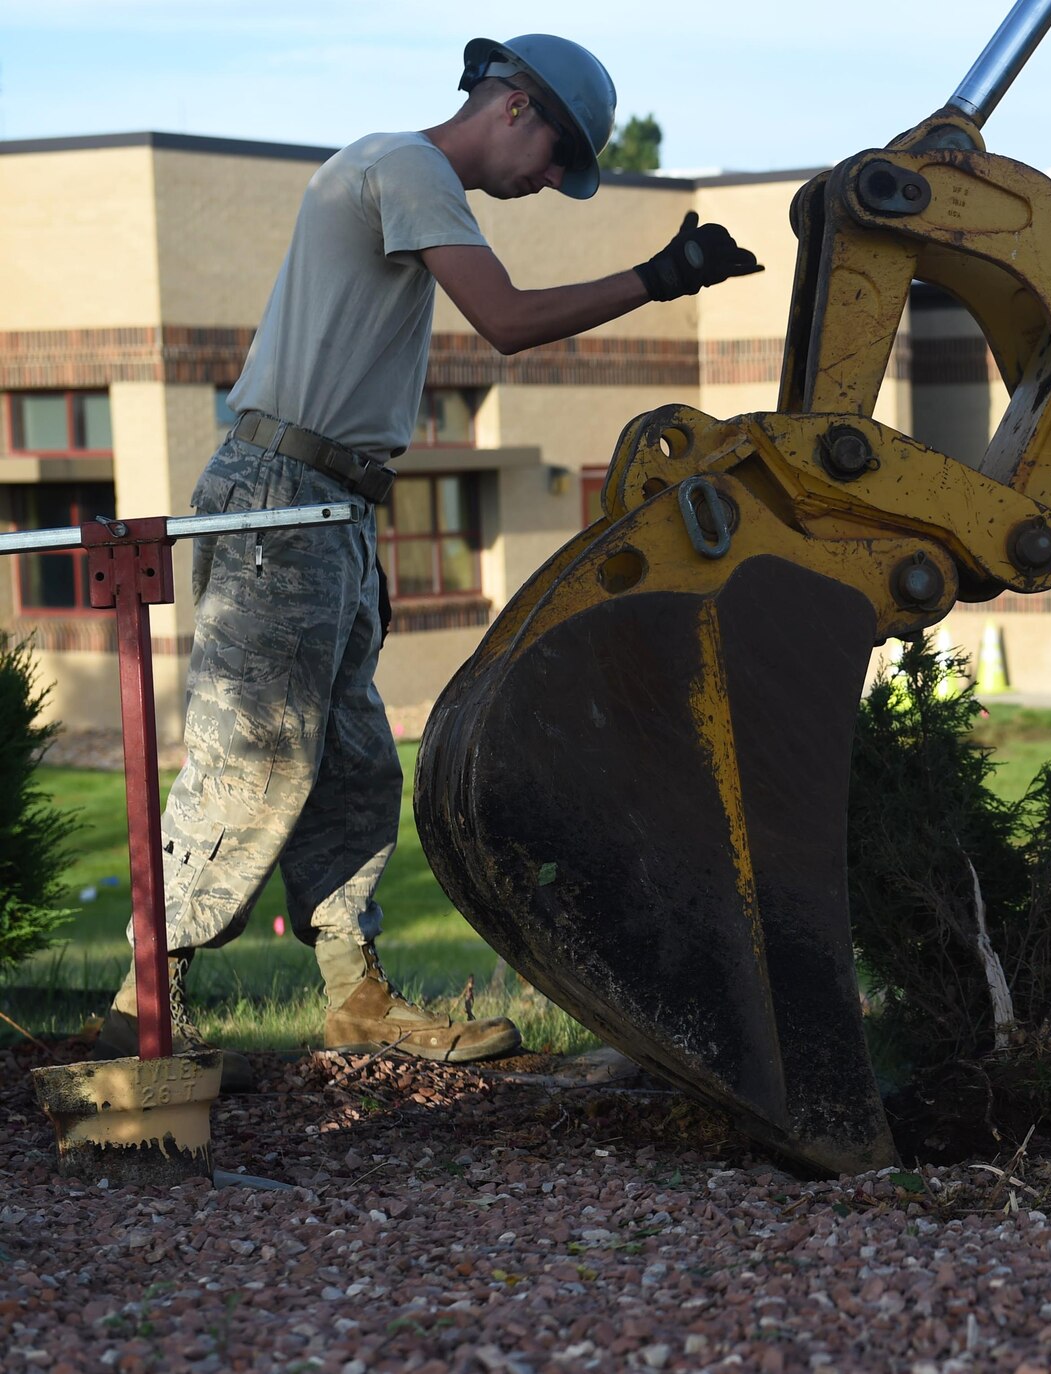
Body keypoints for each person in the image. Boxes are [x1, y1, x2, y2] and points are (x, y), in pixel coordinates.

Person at [92, 34, 763, 1087]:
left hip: (327, 506)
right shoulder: (402, 165)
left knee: (358, 764)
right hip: (280, 498)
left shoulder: (400, 183)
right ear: (511, 107)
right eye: (553, 156)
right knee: (253, 756)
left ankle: (355, 998)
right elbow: (502, 323)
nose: (545, 182)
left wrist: (357, 527)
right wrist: (658, 277)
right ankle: (143, 1000)